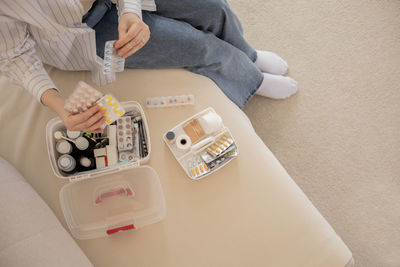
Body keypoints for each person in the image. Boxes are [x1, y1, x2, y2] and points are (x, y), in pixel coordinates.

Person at [0, 0, 298, 133]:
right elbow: (13, 55)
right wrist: (58, 105)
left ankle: (249, 56)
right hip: (81, 35)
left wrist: (130, 10)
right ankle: (252, 79)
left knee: (214, 7)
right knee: (198, 46)